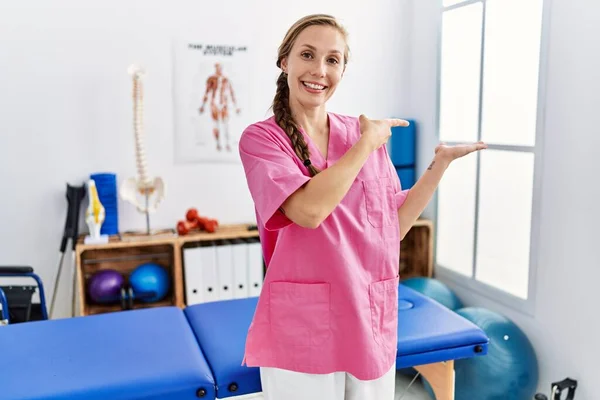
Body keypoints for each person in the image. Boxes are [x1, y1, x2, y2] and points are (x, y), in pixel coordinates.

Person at [238, 14, 486, 400]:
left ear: (342, 69)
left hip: (369, 318)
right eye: (307, 54)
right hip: (302, 327)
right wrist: (365, 146)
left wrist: (439, 166)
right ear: (284, 62)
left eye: (333, 60)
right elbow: (308, 211)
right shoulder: (262, 139)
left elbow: (392, 227)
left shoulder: (361, 132)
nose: (319, 70)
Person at [199, 62, 241, 152]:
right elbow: (207, 92)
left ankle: (227, 144)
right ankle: (218, 144)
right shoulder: (211, 79)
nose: (219, 70)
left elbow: (231, 93)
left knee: (225, 124)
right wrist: (202, 106)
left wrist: (236, 107)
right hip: (214, 104)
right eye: (218, 68)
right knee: (216, 124)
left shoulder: (225, 79)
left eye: (220, 68)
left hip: (223, 104)